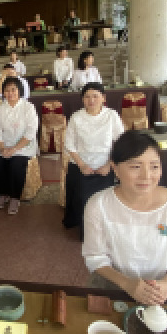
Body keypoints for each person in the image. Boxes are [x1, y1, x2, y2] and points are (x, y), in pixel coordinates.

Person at [81, 131, 167, 305]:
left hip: (164, 294)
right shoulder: (98, 205)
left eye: (154, 166)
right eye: (136, 167)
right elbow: (95, 257)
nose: (146, 176)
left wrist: (166, 285)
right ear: (115, 168)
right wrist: (127, 284)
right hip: (113, 289)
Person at [64, 83, 125, 240]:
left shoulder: (111, 115)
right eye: (87, 97)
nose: (91, 100)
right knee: (84, 199)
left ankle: (105, 230)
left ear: (103, 98)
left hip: (105, 165)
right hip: (81, 165)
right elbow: (69, 145)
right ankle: (89, 233)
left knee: (105, 200)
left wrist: (109, 165)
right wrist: (82, 165)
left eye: (95, 96)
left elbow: (120, 143)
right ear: (82, 99)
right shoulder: (76, 117)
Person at [0, 77, 39, 215]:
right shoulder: (0, 109)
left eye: (13, 89)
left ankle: (14, 197)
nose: (10, 93)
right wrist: (2, 148)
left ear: (19, 90)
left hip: (23, 146)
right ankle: (2, 194)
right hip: (4, 146)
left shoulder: (28, 107)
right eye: (7, 90)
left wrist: (15, 149)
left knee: (16, 164)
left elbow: (31, 131)